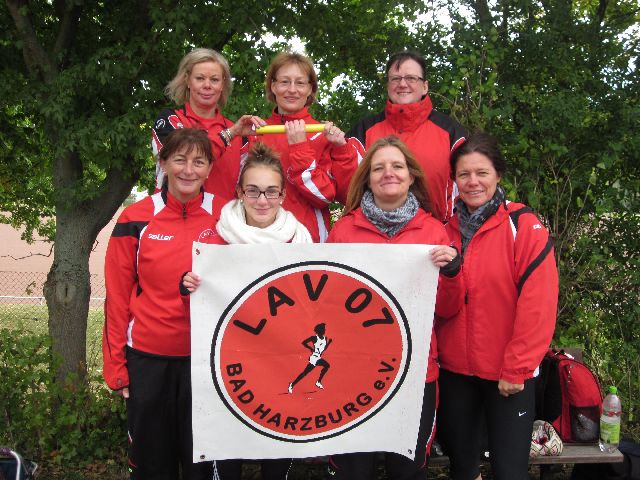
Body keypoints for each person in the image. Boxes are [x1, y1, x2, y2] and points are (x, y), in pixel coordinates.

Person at [326, 136, 464, 480]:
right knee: (353, 472)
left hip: (414, 372)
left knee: (407, 471)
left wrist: (451, 273)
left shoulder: (434, 231)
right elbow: (325, 305)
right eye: (378, 168)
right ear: (367, 178)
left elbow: (447, 310)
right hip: (352, 372)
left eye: (397, 166)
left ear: (411, 175)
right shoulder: (343, 231)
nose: (388, 173)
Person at [181, 141, 312, 480]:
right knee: (225, 458)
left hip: (282, 364)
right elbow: (201, 309)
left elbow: (312, 306)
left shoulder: (301, 241)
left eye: (271, 191)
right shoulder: (214, 240)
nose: (262, 200)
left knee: (276, 459)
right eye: (253, 191)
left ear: (283, 195)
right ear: (239, 192)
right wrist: (190, 288)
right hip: (229, 369)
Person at [102, 129, 227, 479]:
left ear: (209, 168)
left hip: (207, 361)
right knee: (153, 465)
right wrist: (116, 367)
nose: (188, 170)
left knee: (203, 466)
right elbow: (117, 297)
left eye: (198, 162)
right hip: (148, 360)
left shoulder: (229, 215)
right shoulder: (135, 218)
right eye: (180, 159)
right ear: (164, 163)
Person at [435, 132, 558, 480]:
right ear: (454, 180)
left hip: (507, 373)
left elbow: (539, 303)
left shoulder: (523, 225)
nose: (472, 182)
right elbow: (438, 303)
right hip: (455, 371)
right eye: (464, 174)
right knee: (463, 469)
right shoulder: (443, 230)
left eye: (482, 173)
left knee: (509, 471)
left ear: (498, 175)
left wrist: (517, 368)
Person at [253, 51, 361, 242]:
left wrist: (300, 149)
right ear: (273, 86)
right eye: (284, 82)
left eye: (300, 83)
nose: (292, 90)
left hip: (308, 239)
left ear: (310, 89)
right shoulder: (256, 132)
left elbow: (325, 197)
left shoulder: (323, 134)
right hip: (260, 238)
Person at [348, 51, 467, 223]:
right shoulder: (362, 132)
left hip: (437, 234)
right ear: (388, 85)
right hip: (374, 234)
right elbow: (347, 190)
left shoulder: (452, 132)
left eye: (411, 78)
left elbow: (469, 189)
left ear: (425, 86)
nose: (402, 84)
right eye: (395, 79)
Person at [152, 48, 263, 199]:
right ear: (187, 80)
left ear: (223, 84)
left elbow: (248, 187)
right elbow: (189, 163)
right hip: (173, 213)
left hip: (222, 214)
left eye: (214, 80)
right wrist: (229, 134)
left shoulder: (240, 133)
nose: (207, 85)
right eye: (200, 78)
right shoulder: (170, 119)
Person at [288, 322, 333, 392]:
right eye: (323, 329)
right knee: (304, 373)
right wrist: (310, 348)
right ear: (319, 330)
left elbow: (323, 349)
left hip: (319, 358)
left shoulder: (325, 338)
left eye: (324, 329)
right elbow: (304, 342)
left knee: (327, 366)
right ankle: (292, 384)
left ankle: (318, 382)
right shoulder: (314, 338)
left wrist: (329, 343)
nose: (325, 330)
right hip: (314, 358)